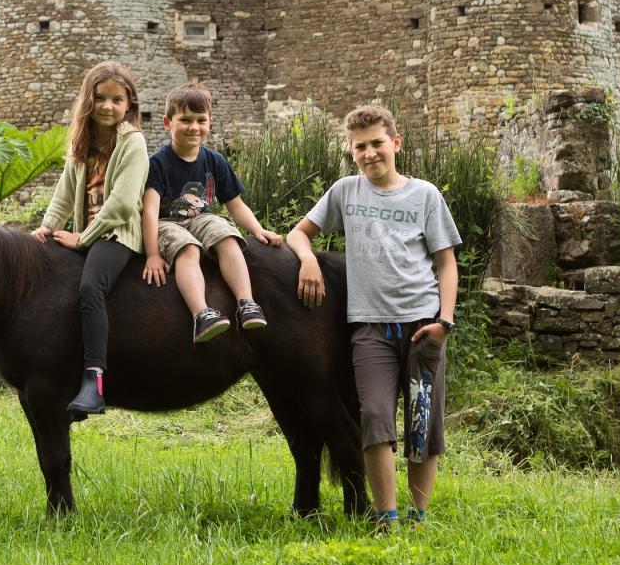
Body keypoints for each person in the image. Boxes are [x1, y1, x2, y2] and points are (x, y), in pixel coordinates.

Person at [284, 104, 461, 532]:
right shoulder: (346, 192)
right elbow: (298, 232)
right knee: (375, 419)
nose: (369, 153)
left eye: (377, 143)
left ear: (396, 143)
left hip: (422, 326)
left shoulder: (425, 195)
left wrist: (445, 322)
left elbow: (447, 263)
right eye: (360, 147)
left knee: (422, 425)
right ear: (351, 150)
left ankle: (418, 517)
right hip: (370, 331)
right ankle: (387, 517)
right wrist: (307, 259)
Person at [33, 60, 147, 420]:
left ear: (129, 103)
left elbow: (124, 203)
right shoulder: (82, 142)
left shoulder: (133, 142)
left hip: (117, 234)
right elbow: (64, 194)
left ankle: (94, 380)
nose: (108, 106)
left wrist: (84, 239)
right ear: (89, 100)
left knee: (90, 288)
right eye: (100, 98)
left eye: (117, 99)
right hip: (85, 233)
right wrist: (47, 228)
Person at [139, 82, 284, 344]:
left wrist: (257, 229)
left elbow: (235, 204)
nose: (194, 127)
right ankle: (202, 314)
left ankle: (246, 302)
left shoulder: (214, 160)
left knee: (226, 235)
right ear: (167, 122)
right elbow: (149, 211)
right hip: (166, 222)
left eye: (200, 120)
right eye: (185, 120)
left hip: (199, 218)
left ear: (209, 122)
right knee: (188, 249)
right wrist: (152, 254)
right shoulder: (157, 163)